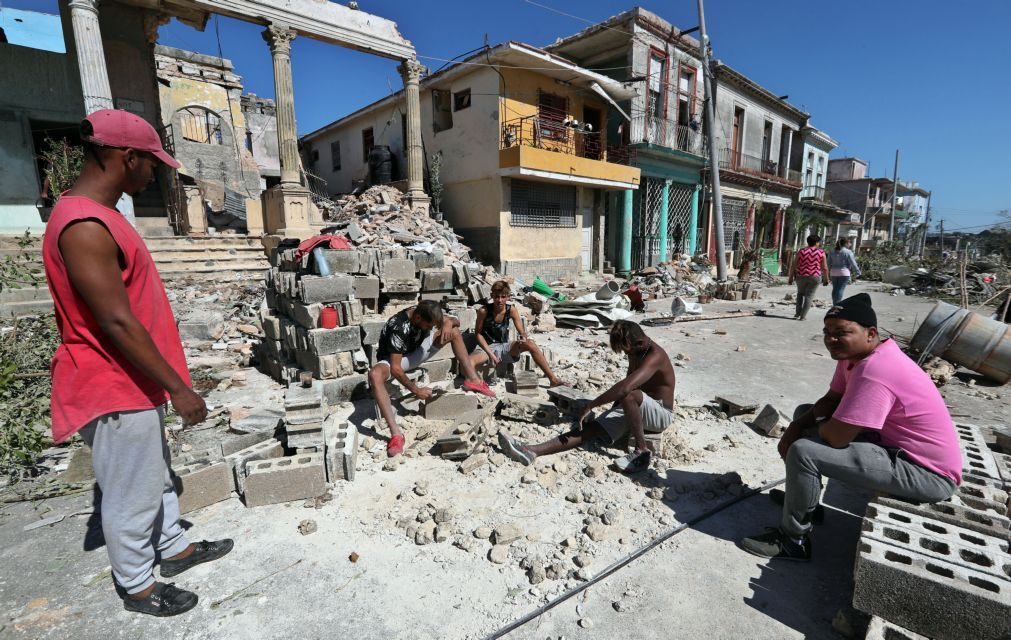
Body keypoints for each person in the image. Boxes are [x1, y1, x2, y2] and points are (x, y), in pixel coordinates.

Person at [42, 110, 232, 616]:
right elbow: (117, 323)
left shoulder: (101, 217)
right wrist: (179, 388)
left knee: (156, 476)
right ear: (127, 158)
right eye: (152, 165)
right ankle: (138, 587)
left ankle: (173, 548)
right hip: (111, 381)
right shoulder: (83, 225)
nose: (154, 175)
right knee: (130, 493)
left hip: (133, 380)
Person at [739, 293, 961, 561]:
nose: (831, 339)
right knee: (803, 415)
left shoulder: (877, 369)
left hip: (926, 473)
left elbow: (835, 438)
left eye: (842, 332)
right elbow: (832, 399)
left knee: (804, 452)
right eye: (827, 331)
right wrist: (797, 425)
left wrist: (805, 433)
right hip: (893, 446)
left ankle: (793, 540)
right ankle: (805, 504)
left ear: (870, 333)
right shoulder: (853, 356)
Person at [498, 320, 675, 474]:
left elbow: (627, 389)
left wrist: (592, 405)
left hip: (660, 414)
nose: (626, 354)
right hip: (636, 406)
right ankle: (531, 450)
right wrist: (612, 412)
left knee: (629, 394)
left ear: (639, 342)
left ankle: (641, 451)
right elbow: (628, 384)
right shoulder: (636, 350)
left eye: (626, 350)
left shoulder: (655, 356)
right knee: (589, 429)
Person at [369, 300, 496, 457]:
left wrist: (449, 323)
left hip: (416, 352)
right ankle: (396, 435)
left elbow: (455, 320)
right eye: (428, 326)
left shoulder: (426, 311)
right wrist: (417, 390)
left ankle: (473, 380)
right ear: (418, 318)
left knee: (454, 331)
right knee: (374, 375)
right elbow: (396, 369)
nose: (431, 329)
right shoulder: (398, 326)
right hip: (395, 361)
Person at [469, 280, 564, 387]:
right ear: (492, 296)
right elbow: (478, 334)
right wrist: (491, 354)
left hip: (503, 346)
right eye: (496, 297)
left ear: (508, 297)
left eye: (503, 297)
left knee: (530, 343)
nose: (499, 300)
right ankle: (476, 384)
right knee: (469, 361)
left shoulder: (511, 310)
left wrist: (523, 337)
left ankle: (553, 380)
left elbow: (522, 331)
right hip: (486, 347)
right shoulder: (484, 311)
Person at [787, 234, 829, 320]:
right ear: (817, 243)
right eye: (818, 242)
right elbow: (824, 268)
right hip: (815, 276)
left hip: (801, 276)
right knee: (809, 296)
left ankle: (797, 313)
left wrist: (790, 277)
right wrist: (826, 279)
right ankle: (803, 316)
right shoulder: (821, 252)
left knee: (800, 294)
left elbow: (794, 265)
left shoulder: (801, 251)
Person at [827, 237, 861, 305]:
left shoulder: (832, 251)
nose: (850, 244)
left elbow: (828, 263)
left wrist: (827, 273)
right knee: (840, 289)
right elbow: (853, 263)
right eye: (849, 243)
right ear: (845, 243)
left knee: (835, 289)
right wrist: (858, 272)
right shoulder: (848, 252)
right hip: (844, 273)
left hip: (833, 272)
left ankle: (834, 304)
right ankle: (837, 305)